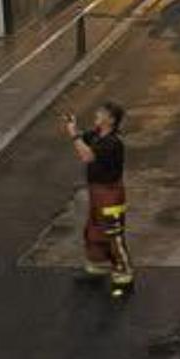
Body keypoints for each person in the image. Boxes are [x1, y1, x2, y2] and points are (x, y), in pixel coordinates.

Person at [65, 102, 134, 299]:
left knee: (113, 234)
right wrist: (74, 127)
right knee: (94, 229)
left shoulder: (112, 143)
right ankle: (97, 266)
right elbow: (84, 139)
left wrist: (73, 134)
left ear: (110, 120)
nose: (96, 114)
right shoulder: (97, 134)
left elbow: (86, 156)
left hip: (110, 194)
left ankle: (123, 275)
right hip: (97, 191)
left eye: (101, 113)